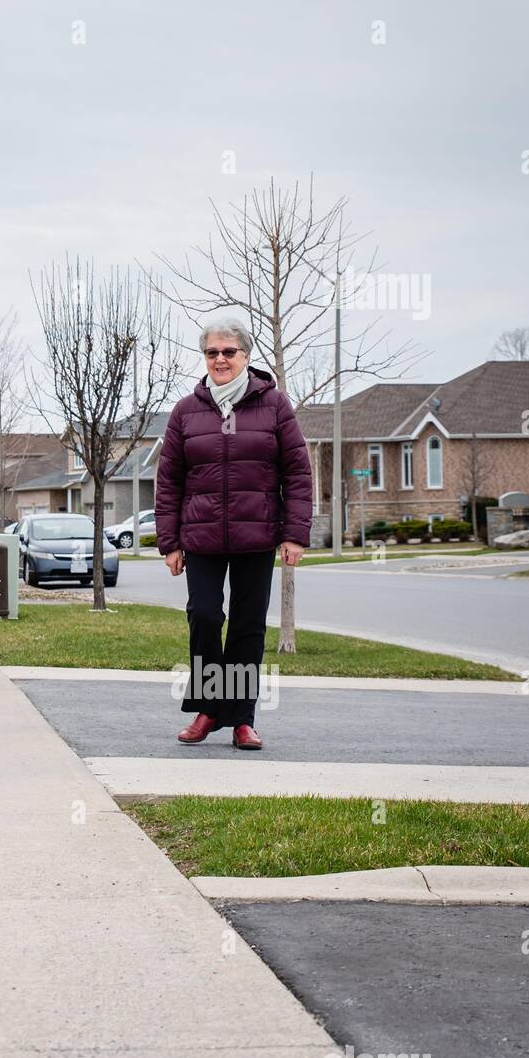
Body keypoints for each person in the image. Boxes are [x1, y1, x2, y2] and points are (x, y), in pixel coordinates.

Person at [154, 314, 312, 750]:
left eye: (228, 351)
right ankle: (208, 709)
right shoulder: (186, 411)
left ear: (245, 355)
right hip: (201, 537)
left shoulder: (274, 405)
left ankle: (241, 717)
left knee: (247, 626)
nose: (220, 359)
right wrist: (170, 541)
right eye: (212, 352)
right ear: (204, 358)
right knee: (204, 616)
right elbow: (168, 481)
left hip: (256, 535)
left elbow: (297, 472)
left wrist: (295, 533)